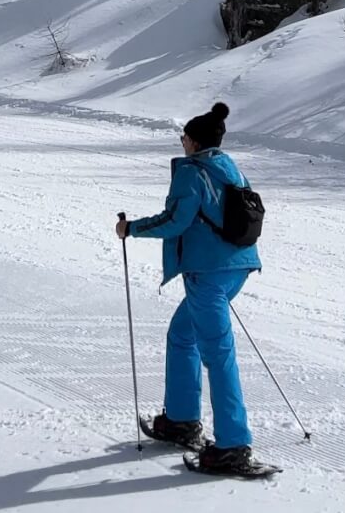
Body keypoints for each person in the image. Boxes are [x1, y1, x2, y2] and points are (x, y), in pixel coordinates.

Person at [115, 102, 261, 472]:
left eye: (184, 137)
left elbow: (175, 221)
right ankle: (181, 419)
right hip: (237, 267)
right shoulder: (229, 167)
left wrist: (131, 228)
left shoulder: (192, 172)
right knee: (182, 334)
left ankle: (233, 444)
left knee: (218, 354)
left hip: (207, 273)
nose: (181, 142)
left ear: (194, 142)